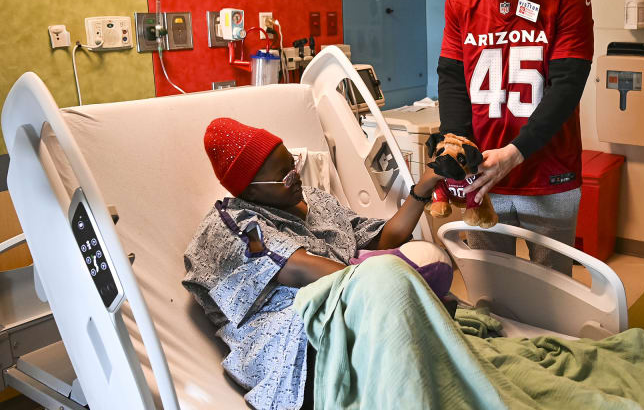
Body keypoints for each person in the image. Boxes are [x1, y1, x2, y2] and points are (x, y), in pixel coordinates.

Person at [182, 117, 452, 410]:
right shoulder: (231, 225)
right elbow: (298, 268)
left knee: (423, 294)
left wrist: (425, 186)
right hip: (294, 348)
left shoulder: (313, 199)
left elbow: (382, 238)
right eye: (285, 177)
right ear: (251, 190)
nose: (296, 177)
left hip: (347, 306)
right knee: (405, 308)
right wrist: (389, 286)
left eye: (293, 164)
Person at [437, 0, 594, 275]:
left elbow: (567, 87)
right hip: (484, 172)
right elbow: (453, 77)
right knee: (494, 293)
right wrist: (457, 144)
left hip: (547, 172)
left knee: (553, 294)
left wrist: (516, 152)